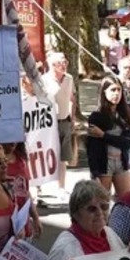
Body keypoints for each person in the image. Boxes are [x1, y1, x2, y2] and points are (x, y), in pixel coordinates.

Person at [86, 76, 130, 195]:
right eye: (113, 90)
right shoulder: (96, 117)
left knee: (127, 200)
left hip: (121, 163)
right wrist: (94, 172)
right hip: (104, 164)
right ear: (104, 92)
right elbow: (91, 148)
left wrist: (103, 135)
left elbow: (127, 143)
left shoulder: (125, 115)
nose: (116, 94)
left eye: (119, 90)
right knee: (103, 201)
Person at [41, 52, 75, 201]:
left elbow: (72, 98)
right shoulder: (44, 80)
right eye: (60, 63)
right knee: (44, 155)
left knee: (63, 157)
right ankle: (38, 186)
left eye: (65, 62)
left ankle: (61, 188)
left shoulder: (69, 79)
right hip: (49, 124)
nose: (64, 65)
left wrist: (72, 118)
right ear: (52, 65)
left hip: (65, 121)